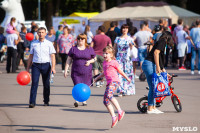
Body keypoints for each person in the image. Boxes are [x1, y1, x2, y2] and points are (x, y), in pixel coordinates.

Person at [94, 46, 131, 128]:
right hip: (109, 83)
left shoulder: (114, 62)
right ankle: (114, 117)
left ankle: (120, 111)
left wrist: (127, 78)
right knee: (105, 101)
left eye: (107, 53)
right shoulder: (104, 63)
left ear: (111, 55)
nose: (105, 55)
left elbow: (120, 71)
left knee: (109, 95)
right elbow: (104, 73)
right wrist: (97, 78)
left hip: (114, 81)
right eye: (104, 53)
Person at [142, 31, 174, 114]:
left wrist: (164, 71)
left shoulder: (161, 42)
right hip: (150, 64)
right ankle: (150, 108)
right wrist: (158, 68)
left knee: (154, 87)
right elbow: (156, 53)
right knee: (153, 87)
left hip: (150, 64)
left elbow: (159, 58)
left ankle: (153, 107)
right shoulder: (163, 41)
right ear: (168, 37)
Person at [26, 27, 56, 108]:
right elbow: (31, 56)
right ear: (37, 34)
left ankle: (46, 100)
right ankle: (32, 102)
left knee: (46, 84)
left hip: (46, 65)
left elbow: (52, 56)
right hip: (36, 65)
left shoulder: (49, 44)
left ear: (45, 34)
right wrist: (27, 68)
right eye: (39, 32)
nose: (41, 34)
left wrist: (53, 67)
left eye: (42, 32)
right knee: (34, 83)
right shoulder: (33, 43)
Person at [64, 34, 96, 107]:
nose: (80, 40)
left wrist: (90, 61)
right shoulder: (73, 49)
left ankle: (84, 100)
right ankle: (77, 100)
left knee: (86, 86)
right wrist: (66, 70)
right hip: (76, 72)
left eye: (82, 39)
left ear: (85, 40)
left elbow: (95, 58)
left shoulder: (89, 48)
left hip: (87, 72)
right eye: (79, 39)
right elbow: (68, 60)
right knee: (77, 85)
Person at [114, 24, 135, 96]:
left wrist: (131, 45)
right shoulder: (117, 39)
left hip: (127, 58)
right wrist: (113, 57)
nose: (125, 30)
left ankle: (127, 89)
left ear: (128, 29)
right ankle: (120, 90)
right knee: (119, 74)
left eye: (126, 28)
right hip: (119, 57)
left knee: (127, 74)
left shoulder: (130, 39)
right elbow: (115, 49)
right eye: (123, 28)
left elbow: (133, 49)